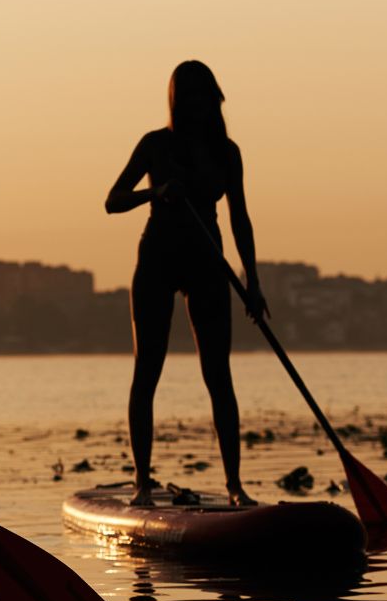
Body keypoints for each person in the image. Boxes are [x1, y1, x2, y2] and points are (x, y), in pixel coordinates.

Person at [105, 61, 267, 507]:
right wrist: (154, 194)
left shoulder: (227, 152)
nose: (197, 105)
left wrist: (253, 282)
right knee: (148, 371)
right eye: (188, 97)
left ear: (213, 99)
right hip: (158, 258)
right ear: (177, 101)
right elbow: (112, 201)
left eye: (203, 96)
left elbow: (240, 219)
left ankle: (235, 487)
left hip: (208, 261)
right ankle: (141, 485)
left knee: (219, 375)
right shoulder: (156, 145)